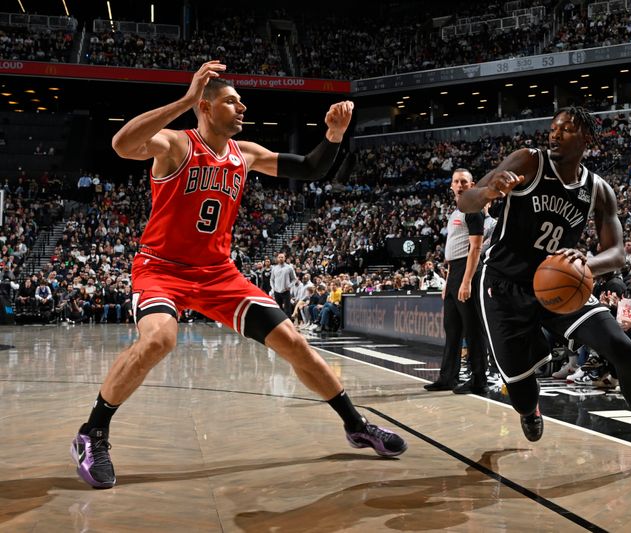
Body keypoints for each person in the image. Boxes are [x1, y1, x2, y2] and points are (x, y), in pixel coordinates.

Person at [70, 61, 406, 490]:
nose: (242, 106)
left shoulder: (244, 153)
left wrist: (333, 136)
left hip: (218, 274)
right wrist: (185, 100)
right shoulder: (176, 144)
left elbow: (309, 168)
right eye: (232, 100)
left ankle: (356, 425)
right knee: (159, 338)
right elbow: (121, 143)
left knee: (295, 343)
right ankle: (92, 433)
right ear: (207, 108)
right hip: (162, 269)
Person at [457, 106, 631, 477]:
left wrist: (588, 264)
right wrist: (489, 191)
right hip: (504, 285)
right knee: (522, 393)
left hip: (558, 285)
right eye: (553, 127)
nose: (555, 134)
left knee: (621, 347)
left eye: (566, 129)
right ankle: (530, 408)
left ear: (586, 139)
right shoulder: (528, 160)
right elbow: (466, 202)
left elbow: (618, 253)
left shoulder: (598, 189)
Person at [424, 168, 488, 395]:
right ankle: (447, 377)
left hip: (468, 271)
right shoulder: (455, 212)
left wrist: (466, 281)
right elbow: (453, 250)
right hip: (454, 273)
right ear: (451, 185)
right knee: (452, 330)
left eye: (464, 181)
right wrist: (449, 282)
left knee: (472, 329)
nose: (459, 185)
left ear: (472, 185)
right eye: (456, 181)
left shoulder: (474, 209)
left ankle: (479, 379)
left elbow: (476, 248)